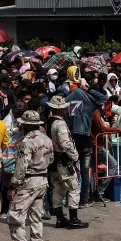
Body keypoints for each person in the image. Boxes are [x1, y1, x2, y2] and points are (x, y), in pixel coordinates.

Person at [5, 110, 52, 241]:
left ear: (26, 125)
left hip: (28, 182)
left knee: (15, 218)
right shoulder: (46, 139)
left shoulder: (27, 141)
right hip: (42, 180)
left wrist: (13, 186)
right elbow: (51, 159)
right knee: (36, 217)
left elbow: (21, 167)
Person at [46, 96, 87, 228]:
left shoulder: (50, 122)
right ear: (60, 110)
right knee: (73, 188)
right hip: (64, 161)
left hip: (54, 162)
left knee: (58, 189)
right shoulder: (60, 124)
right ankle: (73, 219)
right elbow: (66, 145)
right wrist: (74, 157)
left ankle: (60, 218)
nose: (65, 110)